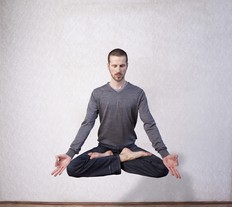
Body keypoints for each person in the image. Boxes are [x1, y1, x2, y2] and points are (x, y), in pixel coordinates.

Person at [51, 48, 181, 179]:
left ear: (127, 66)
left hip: (129, 146)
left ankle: (113, 158)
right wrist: (70, 153)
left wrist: (164, 154)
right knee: (73, 168)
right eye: (114, 65)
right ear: (108, 66)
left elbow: (149, 124)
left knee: (161, 168)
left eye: (122, 65)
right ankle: (122, 158)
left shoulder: (137, 93)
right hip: (104, 148)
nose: (118, 70)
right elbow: (87, 124)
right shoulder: (98, 94)